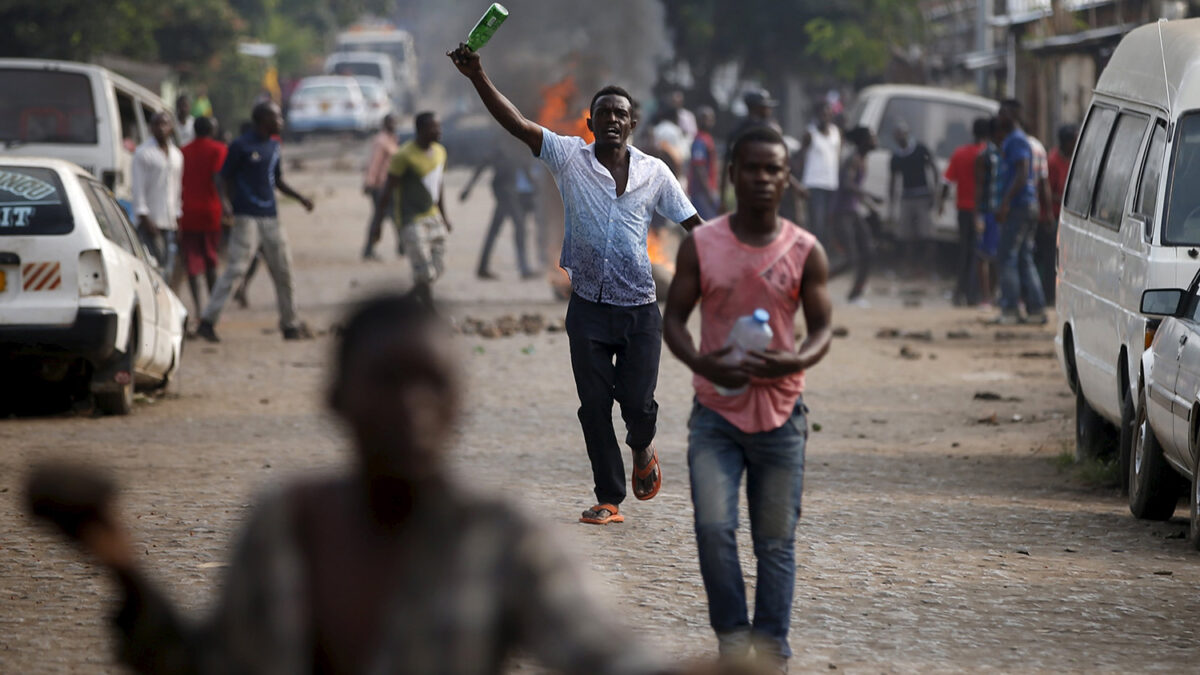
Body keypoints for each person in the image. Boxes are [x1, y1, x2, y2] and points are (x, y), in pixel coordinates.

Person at [25, 292, 666, 675]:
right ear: (336, 396)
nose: (411, 407)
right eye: (387, 380)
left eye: (431, 383)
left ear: (459, 404)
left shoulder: (502, 538)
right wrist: (116, 559)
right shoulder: (285, 524)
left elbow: (606, 655)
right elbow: (214, 664)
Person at [448, 43, 702, 526]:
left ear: (633, 124)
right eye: (602, 113)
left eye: (620, 114)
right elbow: (519, 124)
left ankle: (642, 446)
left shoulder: (655, 173)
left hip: (641, 311)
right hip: (586, 307)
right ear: (589, 124)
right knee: (593, 407)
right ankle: (609, 498)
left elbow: (696, 226)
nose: (610, 119)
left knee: (637, 404)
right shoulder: (568, 157)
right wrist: (478, 75)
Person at [663, 125, 833, 670]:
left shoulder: (805, 250)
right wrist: (698, 361)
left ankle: (772, 650)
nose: (761, 178)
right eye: (751, 169)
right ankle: (735, 643)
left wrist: (798, 359)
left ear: (787, 179)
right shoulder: (702, 244)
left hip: (783, 416)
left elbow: (823, 326)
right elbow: (674, 319)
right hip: (714, 414)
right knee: (714, 532)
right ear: (731, 174)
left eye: (772, 169)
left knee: (775, 543)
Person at [196, 102, 314, 343]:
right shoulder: (241, 146)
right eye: (277, 117)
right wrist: (226, 203)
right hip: (246, 217)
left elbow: (277, 179)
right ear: (263, 120)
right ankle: (207, 322)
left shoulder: (274, 146)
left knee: (283, 270)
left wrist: (301, 198)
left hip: (271, 216)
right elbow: (222, 177)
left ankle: (290, 324)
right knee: (237, 269)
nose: (281, 121)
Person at [369, 112, 451, 308]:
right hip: (411, 220)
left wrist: (444, 216)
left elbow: (438, 185)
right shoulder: (404, 156)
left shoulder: (440, 152)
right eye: (434, 127)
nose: (439, 131)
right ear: (421, 130)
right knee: (423, 272)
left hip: (433, 217)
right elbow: (387, 191)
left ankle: (405, 301)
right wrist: (378, 224)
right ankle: (430, 313)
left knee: (439, 266)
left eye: (439, 127)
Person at [992, 98, 1047, 325]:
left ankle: (1011, 309)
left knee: (1007, 256)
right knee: (1024, 257)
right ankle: (1035, 309)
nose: (999, 116)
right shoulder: (1016, 140)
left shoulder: (1016, 140)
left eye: (1003, 113)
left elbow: (1023, 173)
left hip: (1019, 206)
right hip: (1027, 206)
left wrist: (1005, 203)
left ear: (1012, 116)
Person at [461, 138, 538, 280]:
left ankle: (483, 267)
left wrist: (536, 190)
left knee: (495, 229)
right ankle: (524, 268)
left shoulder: (519, 150)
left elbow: (526, 171)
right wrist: (468, 188)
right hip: (505, 193)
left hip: (510, 193)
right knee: (519, 227)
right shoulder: (503, 148)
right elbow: (482, 166)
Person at [178, 116, 227, 316]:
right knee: (210, 260)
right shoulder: (219, 150)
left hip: (187, 212)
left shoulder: (182, 151)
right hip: (210, 211)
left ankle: (198, 307)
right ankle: (212, 309)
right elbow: (219, 178)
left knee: (192, 262)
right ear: (212, 130)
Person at [940, 118, 990, 306]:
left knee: (964, 252)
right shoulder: (988, 154)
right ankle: (974, 294)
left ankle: (959, 293)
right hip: (983, 211)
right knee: (980, 254)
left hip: (963, 209)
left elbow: (946, 181)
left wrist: (941, 204)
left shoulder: (960, 153)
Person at [832, 126, 882, 305]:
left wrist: (870, 205)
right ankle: (818, 284)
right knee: (851, 258)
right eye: (872, 137)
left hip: (852, 211)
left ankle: (856, 294)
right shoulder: (853, 159)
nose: (875, 140)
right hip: (842, 212)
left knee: (868, 252)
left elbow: (854, 190)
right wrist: (870, 196)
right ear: (863, 141)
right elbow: (847, 184)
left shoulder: (862, 158)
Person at [131, 112, 183, 282]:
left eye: (165, 124)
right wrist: (144, 216)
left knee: (167, 269)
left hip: (170, 221)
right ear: (151, 128)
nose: (161, 128)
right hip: (150, 221)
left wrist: (177, 215)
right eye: (157, 124)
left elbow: (177, 188)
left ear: (171, 127)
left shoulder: (177, 155)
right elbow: (138, 187)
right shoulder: (143, 153)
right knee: (153, 270)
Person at [888, 123, 940, 278]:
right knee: (906, 237)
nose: (900, 137)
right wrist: (892, 204)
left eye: (902, 133)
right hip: (906, 198)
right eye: (897, 134)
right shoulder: (896, 156)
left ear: (907, 133)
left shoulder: (920, 149)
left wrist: (935, 192)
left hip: (923, 196)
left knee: (927, 236)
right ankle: (908, 269)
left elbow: (933, 168)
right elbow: (892, 180)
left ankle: (926, 268)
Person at [720, 89, 780, 212]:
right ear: (756, 108)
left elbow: (726, 164)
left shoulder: (737, 130)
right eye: (765, 106)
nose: (769, 110)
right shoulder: (766, 130)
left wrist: (722, 197)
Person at [798, 101, 841, 247]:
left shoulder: (835, 132)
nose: (825, 117)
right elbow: (801, 158)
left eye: (828, 114)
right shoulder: (810, 134)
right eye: (822, 114)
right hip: (814, 184)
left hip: (831, 184)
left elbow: (837, 157)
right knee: (817, 225)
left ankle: (825, 258)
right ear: (817, 115)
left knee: (829, 225)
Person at [1042, 123, 1077, 303]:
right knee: (1051, 259)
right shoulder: (1053, 161)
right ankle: (1049, 295)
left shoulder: (1072, 159)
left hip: (1068, 216)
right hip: (1055, 216)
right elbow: (1048, 190)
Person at [361, 113, 400, 261]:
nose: (393, 125)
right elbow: (374, 163)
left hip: (390, 186)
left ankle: (402, 247)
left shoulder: (393, 139)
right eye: (391, 123)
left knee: (393, 217)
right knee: (380, 218)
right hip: (379, 187)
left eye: (395, 123)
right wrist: (369, 183)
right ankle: (369, 249)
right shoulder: (381, 141)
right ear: (385, 124)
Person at [974, 117, 1002, 308]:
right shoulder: (985, 156)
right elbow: (979, 186)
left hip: (1001, 212)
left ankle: (994, 294)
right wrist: (977, 215)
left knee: (996, 257)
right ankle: (986, 296)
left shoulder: (1006, 153)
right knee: (984, 256)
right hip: (988, 212)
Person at [688, 106, 720, 220]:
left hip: (708, 190)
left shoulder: (708, 138)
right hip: (701, 193)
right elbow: (699, 168)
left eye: (710, 118)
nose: (708, 121)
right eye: (704, 118)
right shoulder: (699, 141)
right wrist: (709, 192)